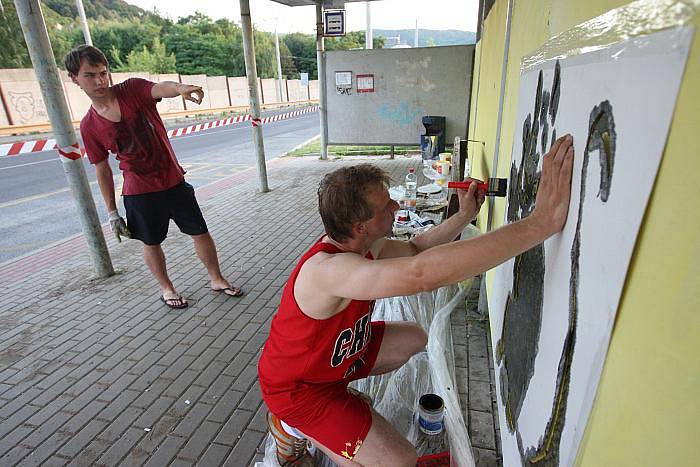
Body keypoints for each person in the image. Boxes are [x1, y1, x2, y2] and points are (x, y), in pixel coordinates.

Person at [257, 135, 575, 466]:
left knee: (414, 338)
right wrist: (539, 224)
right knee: (400, 460)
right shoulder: (329, 271)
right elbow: (421, 274)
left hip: (333, 361)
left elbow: (416, 249)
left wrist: (464, 215)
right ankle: (295, 427)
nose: (396, 206)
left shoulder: (366, 245)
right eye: (386, 206)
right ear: (360, 226)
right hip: (300, 390)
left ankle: (337, 403)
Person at [64, 45, 243, 309]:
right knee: (151, 242)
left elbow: (160, 88)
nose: (100, 81)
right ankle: (167, 289)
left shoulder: (131, 90)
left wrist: (181, 88)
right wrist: (112, 213)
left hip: (174, 182)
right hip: (139, 191)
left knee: (200, 232)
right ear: (74, 79)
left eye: (103, 73)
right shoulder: (90, 125)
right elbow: (102, 169)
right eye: (90, 75)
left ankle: (216, 278)